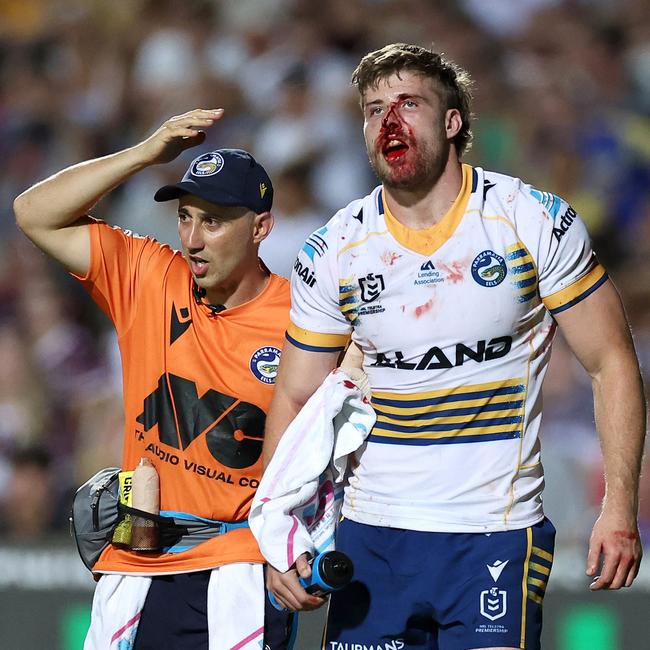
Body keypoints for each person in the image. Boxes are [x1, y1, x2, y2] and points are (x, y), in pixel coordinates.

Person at [262, 44, 646, 650]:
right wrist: (277, 536)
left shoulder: (530, 219)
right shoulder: (332, 249)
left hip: (494, 534)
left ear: (452, 122)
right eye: (373, 109)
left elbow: (611, 361)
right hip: (373, 537)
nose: (388, 121)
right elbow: (296, 392)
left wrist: (618, 506)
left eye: (408, 104)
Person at [13, 109, 294, 649]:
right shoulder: (149, 275)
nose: (192, 238)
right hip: (138, 561)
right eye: (185, 217)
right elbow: (33, 213)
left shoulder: (303, 318)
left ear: (260, 227)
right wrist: (144, 153)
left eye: (213, 221)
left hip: (238, 571)